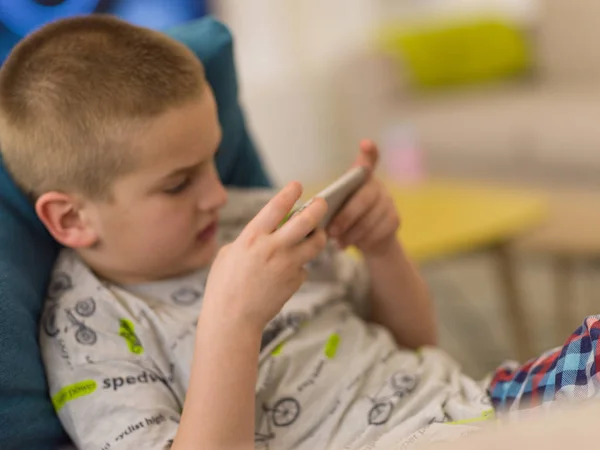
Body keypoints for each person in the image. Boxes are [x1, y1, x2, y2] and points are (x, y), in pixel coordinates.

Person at [0, 14, 597, 450]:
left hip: (477, 403)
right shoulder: (90, 327)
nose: (215, 192)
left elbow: (415, 342)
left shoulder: (244, 221)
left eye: (213, 159)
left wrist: (384, 250)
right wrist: (232, 322)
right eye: (178, 183)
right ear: (71, 219)